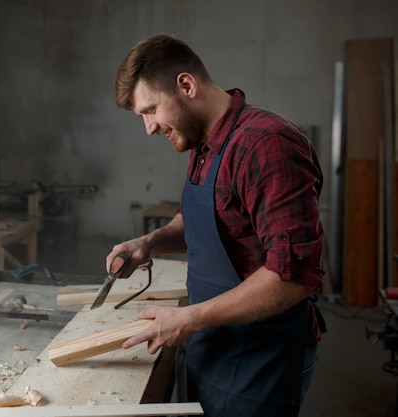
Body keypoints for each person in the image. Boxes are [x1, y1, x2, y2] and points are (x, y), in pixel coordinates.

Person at [107, 34, 325, 417]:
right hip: (215, 342)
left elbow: (294, 277)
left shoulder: (266, 144)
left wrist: (189, 318)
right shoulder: (203, 143)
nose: (149, 127)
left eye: (151, 110)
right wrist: (149, 243)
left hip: (263, 356)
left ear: (186, 85)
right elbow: (198, 221)